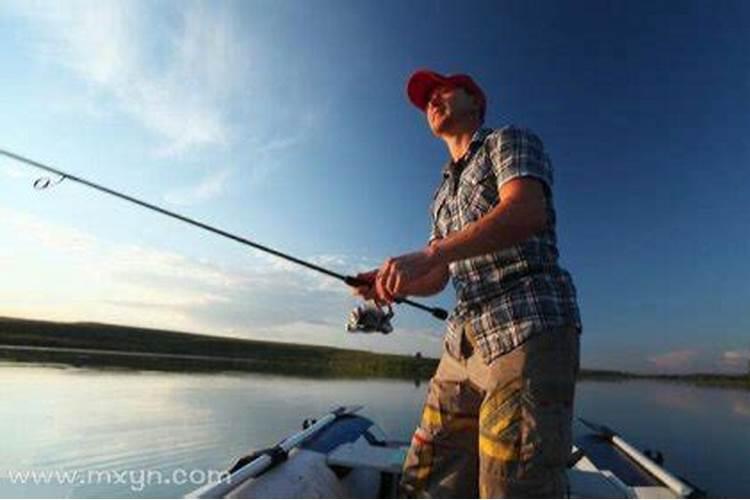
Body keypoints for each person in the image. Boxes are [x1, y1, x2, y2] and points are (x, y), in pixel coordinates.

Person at [352, 69, 582, 498]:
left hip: (526, 329)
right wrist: (392, 285)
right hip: (462, 345)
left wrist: (432, 252)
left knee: (512, 484)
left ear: (475, 101)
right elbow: (439, 276)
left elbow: (527, 211)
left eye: (443, 92)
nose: (432, 102)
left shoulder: (508, 141)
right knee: (426, 475)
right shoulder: (440, 196)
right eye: (426, 101)